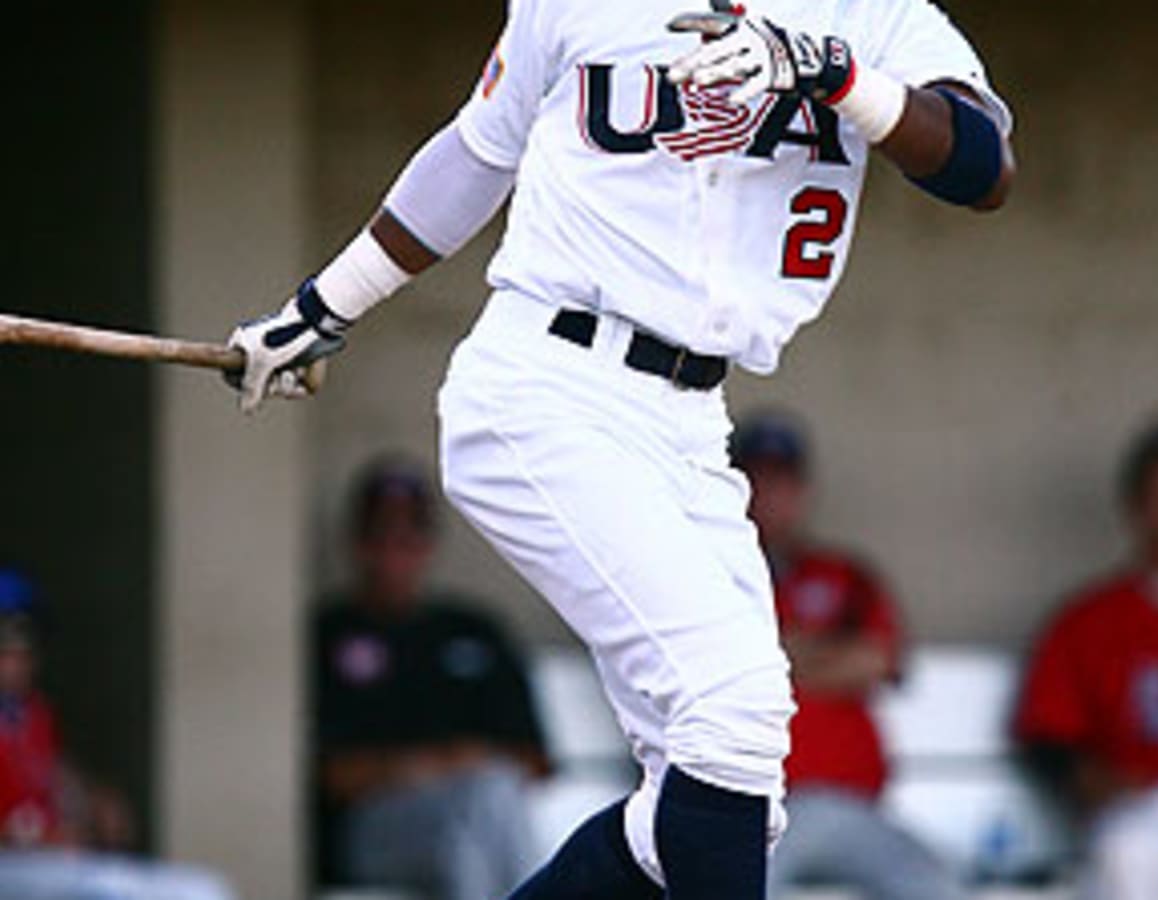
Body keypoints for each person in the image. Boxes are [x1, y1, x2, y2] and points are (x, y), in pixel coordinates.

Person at [226, 0, 1015, 895]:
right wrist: (325, 306)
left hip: (691, 416)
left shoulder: (869, 14)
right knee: (732, 709)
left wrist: (832, 76)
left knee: (726, 796)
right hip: (549, 380)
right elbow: (476, 154)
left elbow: (984, 167)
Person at [730, 413, 963, 899]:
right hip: (750, 809)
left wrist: (775, 652)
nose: (771, 495)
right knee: (740, 881)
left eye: (783, 481)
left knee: (937, 884)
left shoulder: (843, 574)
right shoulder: (710, 573)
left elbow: (876, 659)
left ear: (804, 491)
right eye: (757, 479)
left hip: (852, 806)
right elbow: (721, 668)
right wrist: (823, 652)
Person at [313, 457, 549, 899]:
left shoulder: (474, 630)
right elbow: (332, 775)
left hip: (482, 812)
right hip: (373, 828)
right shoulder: (329, 633)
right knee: (468, 823)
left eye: (408, 539)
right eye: (380, 537)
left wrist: (469, 767)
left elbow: (537, 763)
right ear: (357, 544)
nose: (394, 554)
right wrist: (436, 765)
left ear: (428, 544)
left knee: (485, 806)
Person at [1013, 418, 1158, 900]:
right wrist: (1092, 778)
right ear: (1136, 507)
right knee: (1126, 856)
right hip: (1146, 809)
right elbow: (1047, 738)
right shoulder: (1090, 620)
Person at [0, 569, 235, 900]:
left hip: (47, 865)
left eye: (27, 647)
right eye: (9, 647)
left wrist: (95, 801)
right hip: (14, 866)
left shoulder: (32, 711)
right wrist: (36, 838)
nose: (20, 660)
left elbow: (55, 778)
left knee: (202, 889)